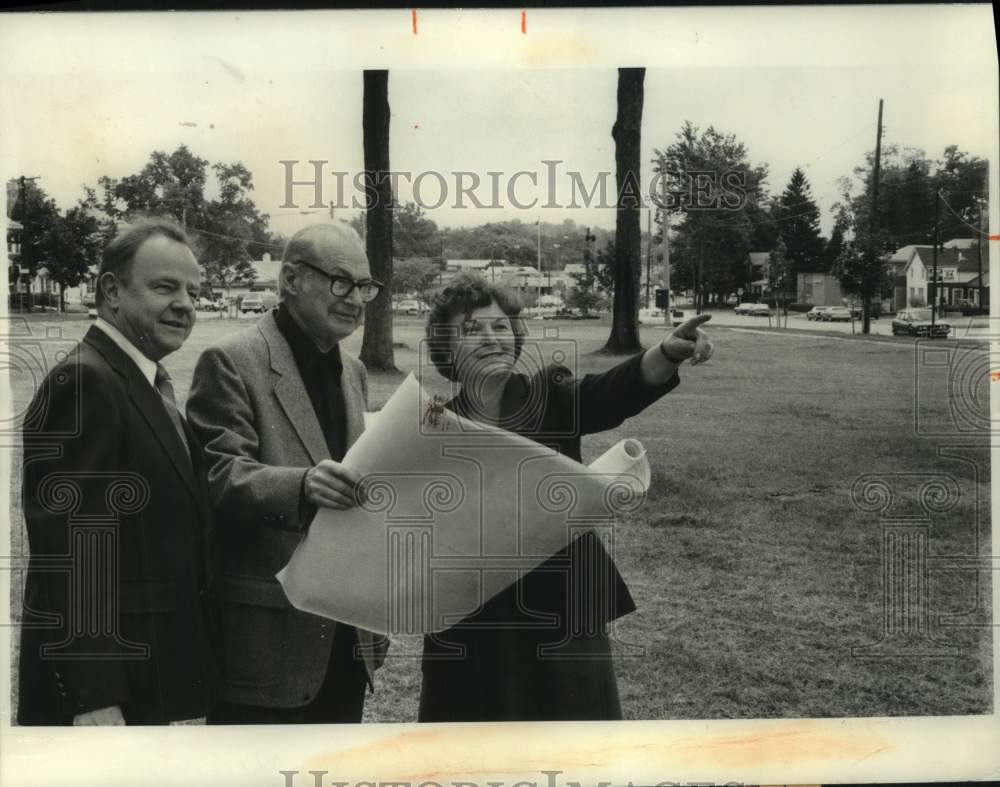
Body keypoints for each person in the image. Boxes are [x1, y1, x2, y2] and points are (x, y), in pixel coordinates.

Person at [418, 274, 714, 722]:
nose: (490, 338)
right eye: (472, 329)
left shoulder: (549, 393)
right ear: (447, 348)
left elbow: (609, 394)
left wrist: (666, 353)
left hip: (558, 609)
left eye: (500, 328)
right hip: (470, 617)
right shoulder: (431, 424)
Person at [186, 222, 389, 724]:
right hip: (265, 646)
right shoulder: (231, 359)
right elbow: (218, 475)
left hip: (345, 636)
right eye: (341, 281)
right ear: (292, 279)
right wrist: (301, 486)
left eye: (365, 286)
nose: (356, 299)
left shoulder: (354, 372)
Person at [18, 219, 217, 725]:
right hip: (112, 701)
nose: (185, 304)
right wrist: (94, 697)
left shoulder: (141, 379)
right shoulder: (85, 381)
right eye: (164, 287)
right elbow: (72, 552)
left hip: (150, 682)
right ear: (111, 291)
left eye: (193, 291)